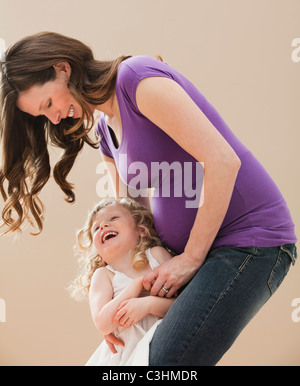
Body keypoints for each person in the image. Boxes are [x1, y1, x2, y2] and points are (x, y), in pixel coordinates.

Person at [0, 31, 297, 366]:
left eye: (48, 103)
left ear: (62, 69)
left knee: (162, 363)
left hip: (249, 240)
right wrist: (115, 302)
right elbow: (132, 223)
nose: (54, 118)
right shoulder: (105, 133)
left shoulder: (135, 79)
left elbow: (223, 162)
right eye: (44, 115)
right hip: (192, 257)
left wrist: (190, 259)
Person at [69, 197, 175, 365]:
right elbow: (103, 324)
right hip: (124, 359)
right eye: (96, 228)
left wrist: (148, 305)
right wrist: (134, 287)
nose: (103, 225)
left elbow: (184, 305)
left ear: (141, 230)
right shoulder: (104, 275)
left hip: (165, 348)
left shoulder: (157, 255)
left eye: (113, 218)